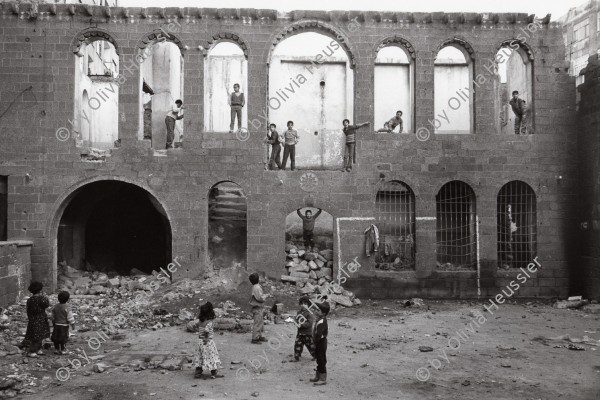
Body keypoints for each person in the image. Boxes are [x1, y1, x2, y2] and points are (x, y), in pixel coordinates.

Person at [193, 302, 224, 379]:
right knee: (211, 356)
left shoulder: (200, 321)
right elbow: (206, 331)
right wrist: (206, 338)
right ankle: (214, 372)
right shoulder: (209, 323)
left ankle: (198, 371)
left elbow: (197, 328)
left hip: (200, 341)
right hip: (207, 342)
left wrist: (201, 337)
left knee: (200, 356)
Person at [20, 281, 50, 357]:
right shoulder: (41, 299)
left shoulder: (30, 300)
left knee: (36, 335)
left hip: (33, 319)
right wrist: (45, 297)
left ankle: (38, 349)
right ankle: (32, 351)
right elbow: (46, 305)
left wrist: (30, 318)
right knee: (38, 336)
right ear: (40, 290)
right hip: (41, 319)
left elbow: (28, 310)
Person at [309, 301, 329, 386]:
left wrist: (314, 343)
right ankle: (318, 375)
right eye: (317, 309)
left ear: (323, 313)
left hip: (321, 342)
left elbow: (318, 335)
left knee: (321, 360)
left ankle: (322, 378)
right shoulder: (319, 319)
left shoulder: (322, 322)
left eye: (319, 310)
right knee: (318, 358)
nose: (316, 311)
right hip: (318, 342)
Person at [249, 272, 272, 344]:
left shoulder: (256, 286)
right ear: (258, 279)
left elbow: (259, 296)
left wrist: (265, 295)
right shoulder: (256, 287)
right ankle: (255, 338)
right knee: (257, 323)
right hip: (257, 307)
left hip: (259, 307)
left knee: (260, 322)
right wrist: (267, 296)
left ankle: (258, 336)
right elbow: (260, 298)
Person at [50, 290, 75, 355]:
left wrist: (53, 321)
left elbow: (52, 315)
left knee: (56, 337)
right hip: (64, 326)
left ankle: (57, 349)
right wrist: (73, 325)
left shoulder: (55, 306)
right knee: (63, 338)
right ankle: (63, 350)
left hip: (56, 325)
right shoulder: (67, 307)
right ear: (68, 299)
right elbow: (70, 317)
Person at [293, 296, 316, 361]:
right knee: (297, 345)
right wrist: (295, 321)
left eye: (305, 304)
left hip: (307, 333)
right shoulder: (299, 313)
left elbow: (309, 323)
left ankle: (315, 355)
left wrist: (301, 325)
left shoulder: (310, 314)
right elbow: (296, 319)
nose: (303, 305)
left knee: (311, 346)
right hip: (300, 333)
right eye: (302, 303)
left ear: (309, 305)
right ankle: (297, 356)